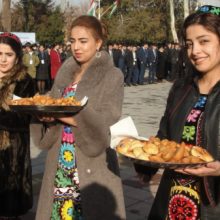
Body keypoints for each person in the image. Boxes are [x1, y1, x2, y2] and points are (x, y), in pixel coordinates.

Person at [31, 15, 126, 220]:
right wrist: (46, 116)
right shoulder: (66, 73)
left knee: (86, 211)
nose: (76, 47)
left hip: (91, 158)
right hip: (60, 157)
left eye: (83, 41)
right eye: (72, 41)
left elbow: (107, 120)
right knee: (60, 211)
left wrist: (61, 114)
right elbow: (53, 103)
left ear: (98, 42)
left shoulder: (112, 75)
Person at [142, 5, 220, 220]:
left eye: (204, 41)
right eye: (189, 44)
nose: (195, 51)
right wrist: (144, 161)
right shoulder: (181, 89)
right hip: (173, 198)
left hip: (212, 205)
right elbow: (164, 137)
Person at [0, 32, 35, 219]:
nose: (3, 59)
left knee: (9, 201)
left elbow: (25, 117)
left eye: (9, 54)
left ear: (17, 57)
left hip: (13, 149)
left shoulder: (25, 81)